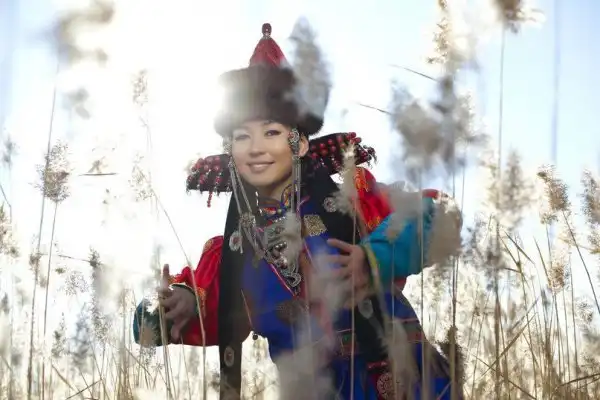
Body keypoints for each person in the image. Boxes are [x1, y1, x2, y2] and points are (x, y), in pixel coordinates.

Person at [134, 22, 462, 399]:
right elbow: (166, 323)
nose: (256, 147)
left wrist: (374, 259)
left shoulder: (355, 198)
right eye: (242, 136)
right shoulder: (233, 253)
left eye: (271, 132)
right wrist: (172, 306)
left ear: (301, 143)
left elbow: (439, 217)